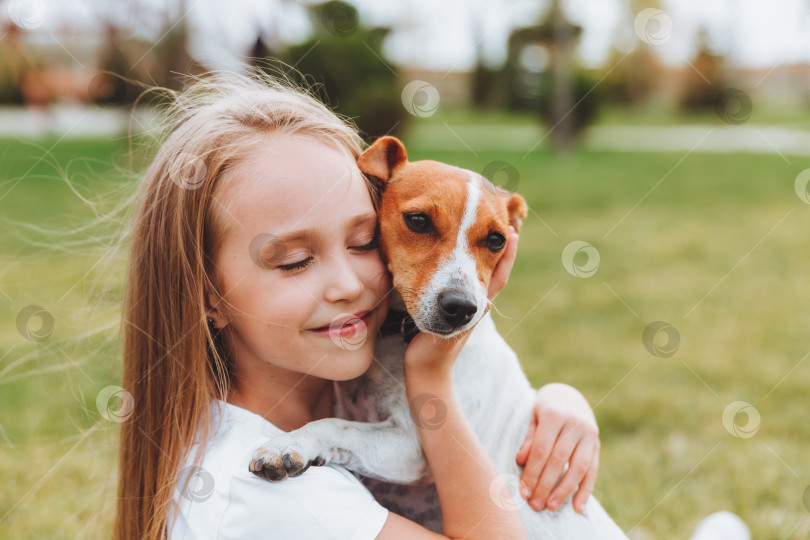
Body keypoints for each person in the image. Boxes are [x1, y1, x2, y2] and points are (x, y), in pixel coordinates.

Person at [113, 69, 601, 540]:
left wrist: (558, 400)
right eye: (296, 261)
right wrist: (429, 375)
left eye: (363, 243)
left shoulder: (330, 371)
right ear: (206, 295)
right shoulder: (267, 493)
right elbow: (411, 452)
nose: (347, 286)